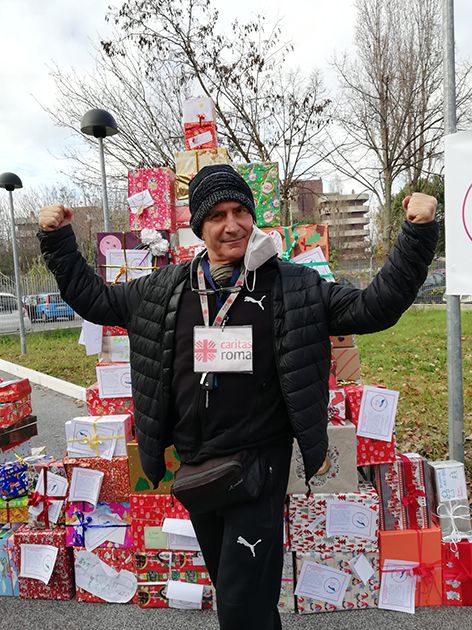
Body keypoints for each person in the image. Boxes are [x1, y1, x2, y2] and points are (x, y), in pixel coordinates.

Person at [38, 164, 438, 629]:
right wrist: (58, 240)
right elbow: (96, 301)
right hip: (196, 467)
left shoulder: (295, 287)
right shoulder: (166, 291)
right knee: (246, 594)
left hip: (258, 467)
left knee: (239, 602)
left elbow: (376, 307)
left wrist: (417, 233)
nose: (232, 225)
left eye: (240, 212)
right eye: (217, 216)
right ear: (199, 227)